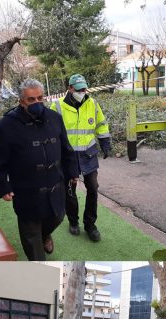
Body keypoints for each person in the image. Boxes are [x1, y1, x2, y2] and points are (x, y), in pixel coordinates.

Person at [0, 78, 79, 260]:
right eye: (31, 100)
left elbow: (66, 148)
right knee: (31, 234)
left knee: (58, 217)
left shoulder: (55, 118)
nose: (37, 103)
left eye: (40, 98)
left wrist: (73, 171)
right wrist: (3, 187)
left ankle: (45, 234)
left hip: (55, 183)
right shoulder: (6, 126)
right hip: (26, 189)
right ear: (21, 101)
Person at [50, 74, 111, 242]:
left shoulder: (92, 104)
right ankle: (73, 221)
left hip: (88, 154)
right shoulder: (57, 106)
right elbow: (50, 131)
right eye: (78, 90)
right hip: (67, 156)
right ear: (70, 88)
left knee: (93, 188)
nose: (82, 92)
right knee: (70, 190)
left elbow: (101, 124)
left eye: (84, 89)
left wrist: (105, 142)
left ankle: (90, 225)